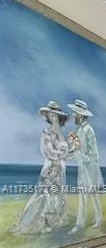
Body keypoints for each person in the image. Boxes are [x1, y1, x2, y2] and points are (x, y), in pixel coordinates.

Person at [11, 101, 70, 235]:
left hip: (60, 170)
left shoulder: (59, 135)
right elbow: (48, 152)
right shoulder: (46, 133)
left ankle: (52, 223)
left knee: (57, 196)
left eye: (55, 116)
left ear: (59, 118)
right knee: (44, 196)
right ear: (48, 118)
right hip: (49, 170)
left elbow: (66, 153)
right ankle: (34, 223)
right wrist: (61, 153)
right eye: (51, 116)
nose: (53, 118)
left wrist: (64, 151)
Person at [67, 99, 103, 234]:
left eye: (74, 114)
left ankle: (98, 221)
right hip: (83, 168)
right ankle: (79, 224)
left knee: (95, 195)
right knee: (82, 196)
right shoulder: (79, 131)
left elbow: (94, 154)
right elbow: (76, 150)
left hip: (91, 168)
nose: (73, 116)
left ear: (81, 115)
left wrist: (78, 153)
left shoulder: (89, 130)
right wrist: (69, 152)